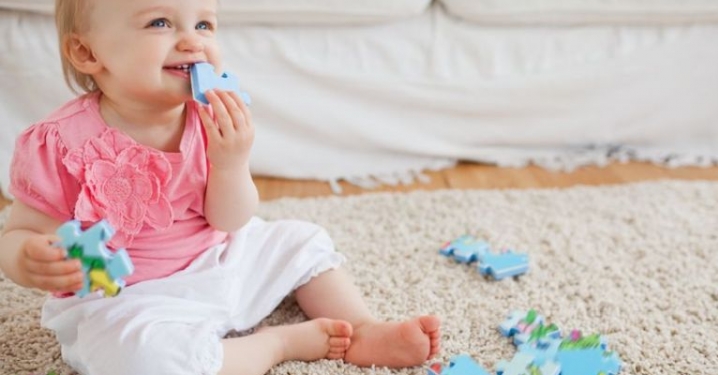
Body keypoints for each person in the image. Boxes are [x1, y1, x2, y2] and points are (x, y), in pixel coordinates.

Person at [0, 0, 441, 374]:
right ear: (86, 52)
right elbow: (19, 230)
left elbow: (230, 220)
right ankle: (275, 346)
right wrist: (27, 258)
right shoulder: (59, 142)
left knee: (302, 239)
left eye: (204, 24)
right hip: (129, 300)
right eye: (160, 23)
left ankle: (361, 327)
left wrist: (231, 163)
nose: (193, 41)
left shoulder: (209, 118)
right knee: (141, 358)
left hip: (220, 259)